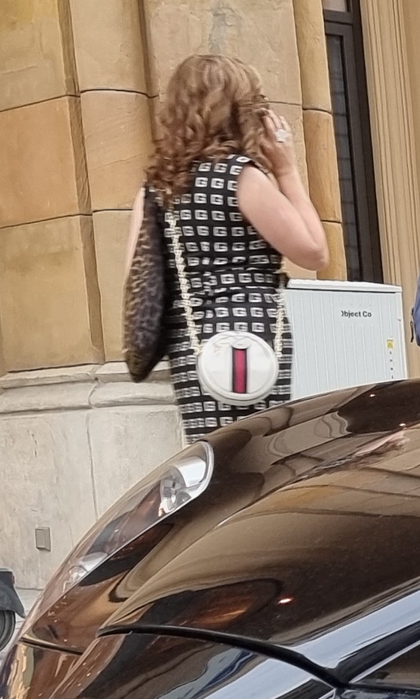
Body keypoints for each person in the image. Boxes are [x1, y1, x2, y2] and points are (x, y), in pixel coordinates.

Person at [134, 54, 328, 440]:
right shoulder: (241, 177)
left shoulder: (154, 191)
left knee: (210, 455)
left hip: (190, 342)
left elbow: (138, 278)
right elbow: (314, 252)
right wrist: (287, 171)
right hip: (251, 335)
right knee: (257, 453)